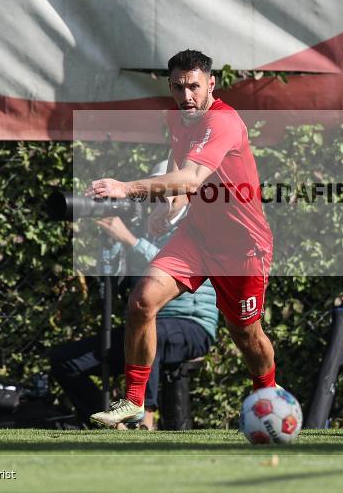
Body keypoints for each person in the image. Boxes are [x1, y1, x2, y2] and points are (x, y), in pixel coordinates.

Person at [87, 49, 276, 428]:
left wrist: (127, 189)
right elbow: (180, 170)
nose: (186, 95)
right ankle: (135, 402)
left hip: (243, 248)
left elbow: (191, 177)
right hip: (197, 238)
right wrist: (169, 205)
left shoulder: (223, 121)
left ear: (211, 84)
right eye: (178, 87)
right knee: (142, 302)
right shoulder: (178, 118)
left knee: (246, 335)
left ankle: (269, 396)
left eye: (193, 86)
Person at [48, 162, 218, 429]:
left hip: (192, 325)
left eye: (167, 188)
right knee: (64, 361)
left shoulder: (201, 224)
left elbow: (175, 267)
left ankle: (144, 420)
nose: (160, 196)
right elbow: (120, 284)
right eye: (156, 189)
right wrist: (112, 246)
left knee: (152, 334)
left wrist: (130, 241)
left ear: (188, 193)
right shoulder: (145, 229)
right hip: (148, 324)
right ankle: (113, 426)